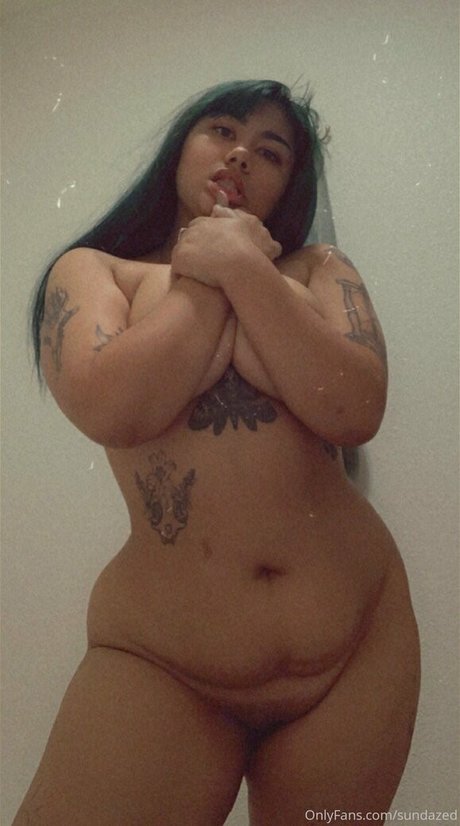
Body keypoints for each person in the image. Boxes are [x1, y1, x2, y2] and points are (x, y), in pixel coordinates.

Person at [15, 79, 420, 825]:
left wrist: (245, 267)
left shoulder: (319, 269)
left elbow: (355, 407)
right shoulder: (96, 270)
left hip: (358, 643)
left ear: (289, 185)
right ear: (181, 148)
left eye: (271, 152)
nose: (241, 155)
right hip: (165, 661)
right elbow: (115, 406)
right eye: (223, 131)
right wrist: (211, 271)